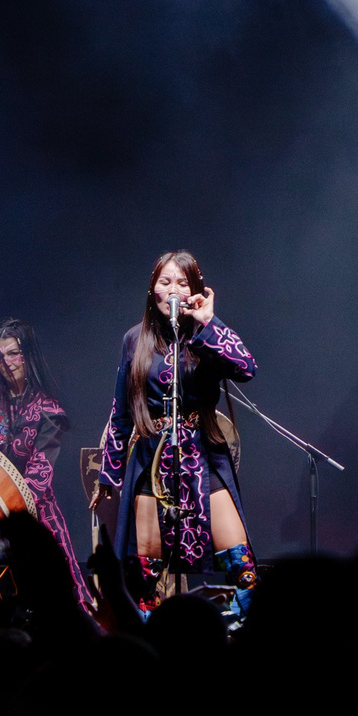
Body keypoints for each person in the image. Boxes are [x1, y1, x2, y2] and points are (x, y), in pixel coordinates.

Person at [92, 252, 260, 620]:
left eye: (183, 283)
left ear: (196, 291)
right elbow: (120, 414)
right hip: (151, 456)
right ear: (152, 289)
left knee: (244, 570)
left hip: (203, 455)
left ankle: (228, 639)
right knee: (146, 577)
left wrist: (209, 322)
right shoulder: (134, 340)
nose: (173, 290)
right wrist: (110, 474)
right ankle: (152, 650)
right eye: (165, 282)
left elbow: (246, 367)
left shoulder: (205, 334)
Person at [0, 317, 92, 612]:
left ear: (28, 355)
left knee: (61, 589)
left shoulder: (48, 411)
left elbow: (39, 475)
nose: (6, 362)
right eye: (1, 355)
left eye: (14, 353)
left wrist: (10, 513)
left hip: (32, 507)